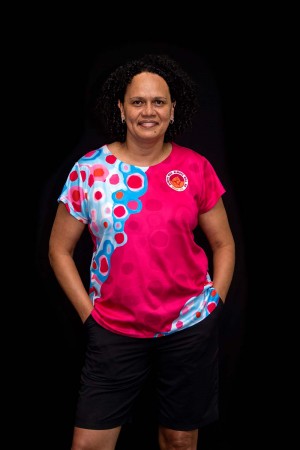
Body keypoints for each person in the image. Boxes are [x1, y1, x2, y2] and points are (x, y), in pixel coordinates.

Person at [48, 53, 235, 450]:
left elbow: (223, 243)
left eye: (158, 102)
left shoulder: (196, 168)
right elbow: (59, 250)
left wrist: (214, 301)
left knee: (180, 440)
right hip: (113, 329)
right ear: (121, 108)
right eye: (137, 101)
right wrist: (88, 315)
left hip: (188, 325)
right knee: (89, 445)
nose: (148, 111)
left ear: (172, 110)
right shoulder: (89, 170)